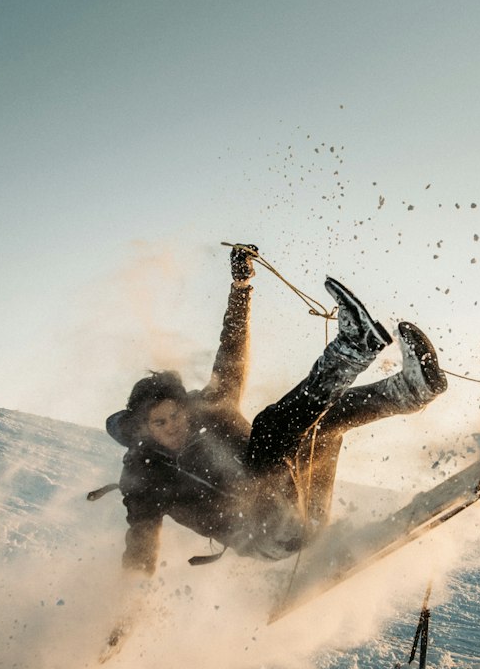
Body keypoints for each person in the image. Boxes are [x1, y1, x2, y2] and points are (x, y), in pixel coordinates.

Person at [105, 244, 448, 575]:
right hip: (269, 535)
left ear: (186, 408)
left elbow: (231, 351)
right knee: (269, 427)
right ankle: (352, 350)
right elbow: (141, 541)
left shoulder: (210, 408)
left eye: (176, 415)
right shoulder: (147, 475)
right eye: (159, 422)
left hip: (307, 512)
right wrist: (128, 608)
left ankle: (411, 390)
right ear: (145, 428)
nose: (172, 426)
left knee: (318, 423)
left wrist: (241, 286)